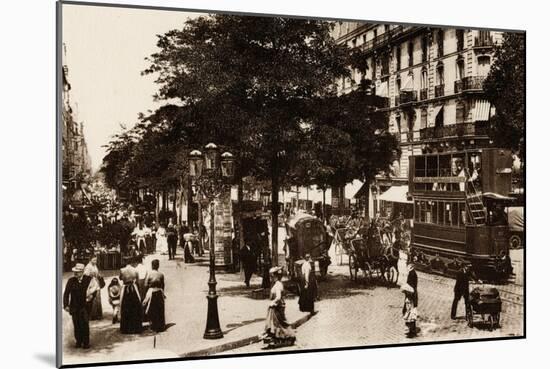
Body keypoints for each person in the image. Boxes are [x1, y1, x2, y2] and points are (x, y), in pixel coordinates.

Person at [63, 263, 96, 349]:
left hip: (85, 306)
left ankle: (86, 342)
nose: (75, 273)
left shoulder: (89, 279)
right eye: (75, 272)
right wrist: (66, 305)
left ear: (82, 272)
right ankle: (78, 341)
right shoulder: (71, 281)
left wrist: (91, 298)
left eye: (77, 272)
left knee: (84, 324)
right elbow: (66, 293)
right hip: (74, 306)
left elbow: (94, 290)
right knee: (76, 324)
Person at [262, 267, 296, 348]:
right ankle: (277, 338)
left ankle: (290, 336)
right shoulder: (276, 284)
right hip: (276, 306)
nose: (271, 277)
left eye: (272, 276)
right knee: (276, 323)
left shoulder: (278, 285)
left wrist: (272, 303)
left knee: (281, 322)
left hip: (278, 306)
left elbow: (278, 297)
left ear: (276, 276)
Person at [119, 259, 143, 334]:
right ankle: (135, 327)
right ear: (131, 262)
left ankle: (126, 328)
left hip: (125, 288)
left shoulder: (122, 270)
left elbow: (120, 278)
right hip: (133, 288)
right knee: (135, 306)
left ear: (125, 262)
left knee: (125, 306)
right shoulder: (135, 270)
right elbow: (137, 280)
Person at [143, 259, 166, 332]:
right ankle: (160, 325)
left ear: (152, 266)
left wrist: (146, 293)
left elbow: (146, 284)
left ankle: (153, 325)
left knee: (151, 309)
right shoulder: (161, 274)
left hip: (151, 291)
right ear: (158, 266)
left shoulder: (149, 274)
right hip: (159, 291)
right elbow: (163, 285)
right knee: (159, 309)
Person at [84, 255, 104, 320]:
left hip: (96, 282)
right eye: (94, 260)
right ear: (90, 260)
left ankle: (98, 314)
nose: (95, 261)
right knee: (92, 298)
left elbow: (97, 273)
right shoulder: (88, 267)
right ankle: (92, 315)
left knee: (97, 298)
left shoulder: (94, 265)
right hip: (91, 283)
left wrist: (99, 275)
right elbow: (85, 275)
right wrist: (91, 275)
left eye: (96, 260)